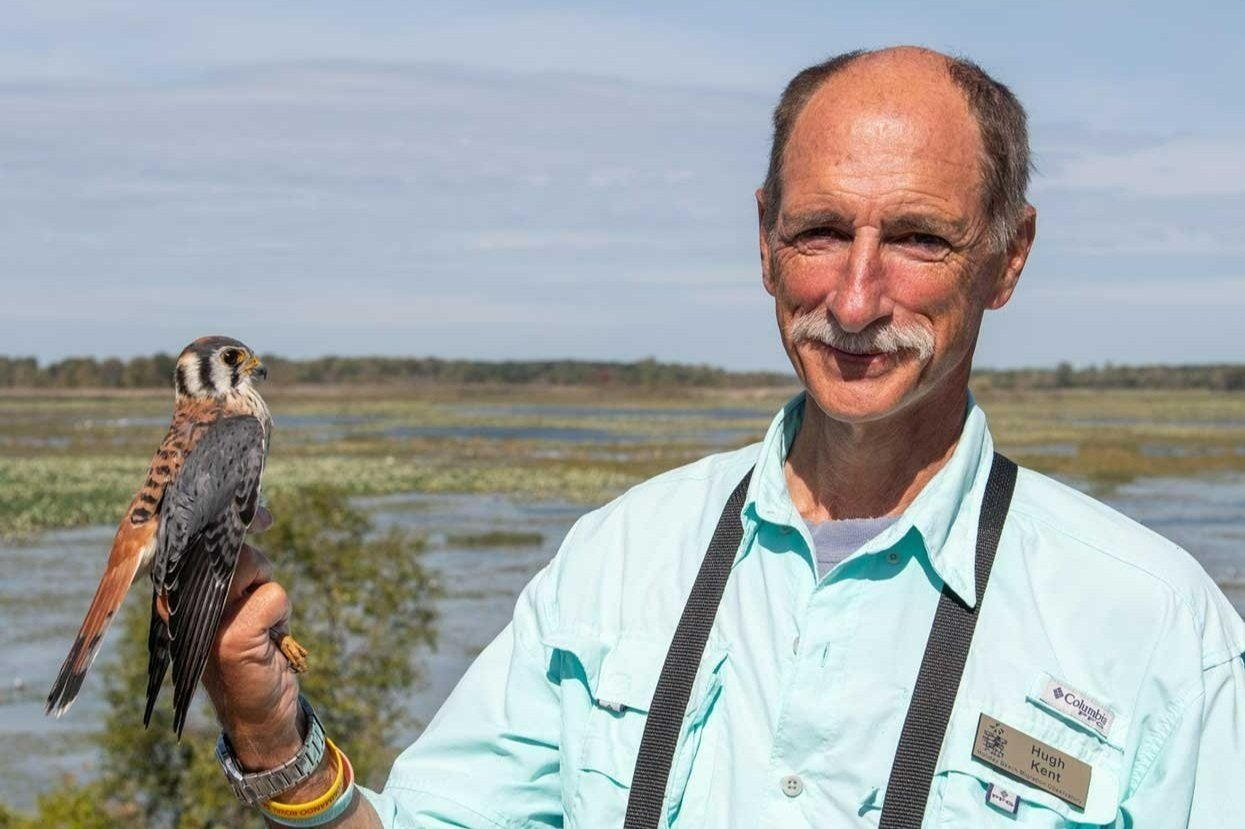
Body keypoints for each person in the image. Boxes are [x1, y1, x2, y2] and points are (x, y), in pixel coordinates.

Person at [203, 46, 1245, 827]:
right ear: (762, 240)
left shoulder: (1155, 628)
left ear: (1008, 258)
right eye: (820, 231)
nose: (854, 297)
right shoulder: (622, 557)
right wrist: (273, 733)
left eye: (920, 238)